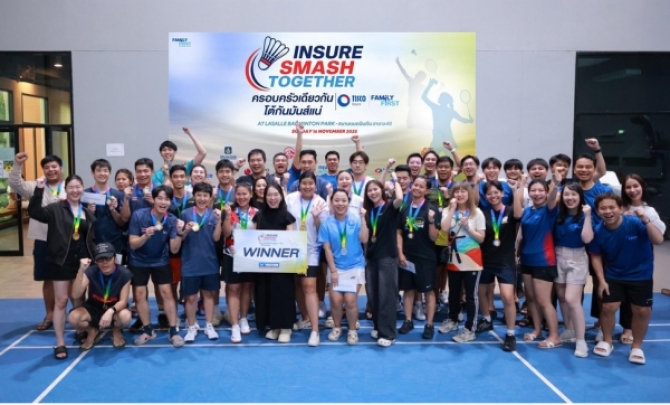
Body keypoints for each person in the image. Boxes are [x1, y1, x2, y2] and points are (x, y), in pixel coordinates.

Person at [583, 193, 663, 364]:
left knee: (642, 311)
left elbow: (658, 240)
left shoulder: (635, 223)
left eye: (612, 207)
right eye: (603, 208)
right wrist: (601, 280)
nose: (608, 211)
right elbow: (595, 256)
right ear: (598, 211)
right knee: (608, 307)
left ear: (621, 209)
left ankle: (637, 347)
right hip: (613, 274)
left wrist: (646, 220)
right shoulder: (598, 231)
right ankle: (607, 341)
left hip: (640, 275)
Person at [28, 174, 96, 360]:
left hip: (81, 262)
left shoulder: (88, 212)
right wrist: (39, 189)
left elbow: (89, 239)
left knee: (79, 298)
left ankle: (80, 330)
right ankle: (60, 342)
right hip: (61, 261)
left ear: (82, 188)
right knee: (61, 301)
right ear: (66, 190)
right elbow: (35, 212)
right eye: (71, 187)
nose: (75, 190)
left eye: (78, 187)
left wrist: (91, 259)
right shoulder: (55, 209)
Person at [9, 152, 66, 332]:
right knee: (48, 278)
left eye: (54, 166)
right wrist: (17, 164)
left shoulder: (70, 186)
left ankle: (76, 314)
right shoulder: (35, 186)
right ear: (43, 170)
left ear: (61, 168)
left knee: (72, 279)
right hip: (43, 240)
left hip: (67, 241)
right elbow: (15, 183)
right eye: (47, 167)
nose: (51, 170)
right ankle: (50, 315)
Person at [127, 185, 185, 347]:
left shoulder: (172, 220)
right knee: (139, 294)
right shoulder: (139, 215)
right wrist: (145, 236)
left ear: (170, 202)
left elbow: (174, 249)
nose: (163, 202)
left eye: (167, 199)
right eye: (159, 198)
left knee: (167, 292)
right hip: (138, 260)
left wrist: (180, 232)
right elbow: (133, 244)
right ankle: (148, 331)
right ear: (153, 200)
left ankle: (173, 331)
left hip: (160, 259)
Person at [514, 174, 561, 349]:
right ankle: (537, 329)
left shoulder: (550, 210)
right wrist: (520, 185)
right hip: (527, 259)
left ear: (547, 192)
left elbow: (552, 199)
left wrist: (556, 184)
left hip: (544, 260)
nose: (537, 193)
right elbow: (522, 233)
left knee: (543, 300)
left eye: (541, 190)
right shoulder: (527, 211)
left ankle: (554, 336)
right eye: (533, 190)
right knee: (531, 298)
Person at [619, 174, 666, 345]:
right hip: (620, 258)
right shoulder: (619, 208)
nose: (632, 190)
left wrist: (644, 219)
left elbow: (659, 237)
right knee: (623, 295)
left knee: (639, 297)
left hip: (641, 260)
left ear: (642, 187)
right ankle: (626, 327)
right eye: (628, 187)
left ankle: (636, 329)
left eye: (635, 186)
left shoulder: (649, 211)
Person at [174, 182, 222, 342]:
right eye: (199, 195)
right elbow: (180, 238)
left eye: (205, 195)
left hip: (209, 263)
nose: (202, 198)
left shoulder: (214, 215)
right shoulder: (185, 214)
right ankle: (192, 327)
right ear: (193, 196)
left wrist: (220, 221)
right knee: (190, 298)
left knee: (208, 295)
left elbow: (216, 238)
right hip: (190, 263)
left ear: (210, 198)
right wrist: (186, 230)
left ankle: (209, 325)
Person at [319, 189, 368, 345]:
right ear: (332, 202)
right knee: (335, 301)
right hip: (336, 267)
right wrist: (333, 271)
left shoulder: (356, 218)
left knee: (350, 300)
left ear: (348, 202)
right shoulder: (326, 223)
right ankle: (337, 327)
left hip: (355, 266)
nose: (340, 203)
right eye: (337, 200)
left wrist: (363, 218)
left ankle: (352, 330)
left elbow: (364, 239)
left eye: (343, 200)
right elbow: (327, 249)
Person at [439, 181, 486, 343]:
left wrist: (468, 227)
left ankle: (470, 328)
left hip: (472, 259)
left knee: (471, 295)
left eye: (463, 191)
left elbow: (481, 238)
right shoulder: (447, 210)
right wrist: (452, 208)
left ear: (469, 194)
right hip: (453, 258)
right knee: (453, 292)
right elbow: (444, 228)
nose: (459, 194)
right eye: (456, 191)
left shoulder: (477, 213)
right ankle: (452, 319)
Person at [285, 171, 328, 342]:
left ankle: (315, 330)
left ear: (315, 185)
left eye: (311, 183)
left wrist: (316, 218)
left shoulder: (321, 202)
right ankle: (305, 318)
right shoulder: (290, 199)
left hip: (311, 249)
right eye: (304, 183)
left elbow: (322, 231)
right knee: (297, 284)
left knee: (309, 286)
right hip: (292, 247)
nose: (307, 186)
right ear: (299, 185)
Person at [477, 180, 519, 351]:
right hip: (485, 260)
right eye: (489, 193)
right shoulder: (483, 213)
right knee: (481, 292)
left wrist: (515, 190)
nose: (493, 196)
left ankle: (510, 334)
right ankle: (486, 319)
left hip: (505, 262)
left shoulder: (510, 211)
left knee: (508, 298)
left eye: (496, 192)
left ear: (502, 193)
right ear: (485, 196)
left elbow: (519, 215)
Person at [253, 183, 297, 343]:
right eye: (269, 195)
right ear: (265, 197)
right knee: (266, 293)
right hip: (263, 264)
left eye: (275, 195)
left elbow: (290, 240)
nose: (272, 198)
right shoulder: (259, 216)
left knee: (283, 293)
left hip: (283, 265)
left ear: (281, 196)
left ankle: (285, 327)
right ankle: (273, 326)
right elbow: (253, 239)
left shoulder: (287, 216)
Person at [397, 176, 440, 339]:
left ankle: (429, 324)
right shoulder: (405, 208)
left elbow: (434, 237)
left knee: (428, 291)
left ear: (426, 190)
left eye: (421, 186)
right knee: (408, 290)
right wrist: (400, 252)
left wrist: (431, 221)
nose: (417, 188)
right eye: (415, 185)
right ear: (411, 186)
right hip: (407, 257)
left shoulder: (432, 209)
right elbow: (399, 233)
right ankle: (408, 320)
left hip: (426, 257)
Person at [68, 243, 133, 350]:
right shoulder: (90, 271)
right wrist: (81, 271)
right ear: (96, 261)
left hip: (114, 309)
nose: (104, 262)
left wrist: (110, 311)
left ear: (114, 258)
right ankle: (92, 330)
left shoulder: (124, 273)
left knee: (126, 316)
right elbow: (75, 294)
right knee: (73, 318)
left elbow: (123, 301)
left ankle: (116, 330)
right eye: (100, 259)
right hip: (93, 308)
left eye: (108, 258)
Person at [364, 174, 403, 347]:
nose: (373, 192)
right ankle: (379, 327)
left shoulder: (389, 207)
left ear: (382, 191)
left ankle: (388, 334)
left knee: (386, 295)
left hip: (387, 257)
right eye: (369, 190)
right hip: (371, 257)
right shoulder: (368, 212)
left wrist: (395, 179)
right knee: (373, 295)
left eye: (375, 189)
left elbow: (399, 198)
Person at [554, 183, 590, 357]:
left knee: (572, 299)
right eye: (566, 194)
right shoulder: (558, 214)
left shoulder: (585, 214)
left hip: (577, 258)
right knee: (561, 296)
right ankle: (569, 329)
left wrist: (588, 216)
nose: (570, 198)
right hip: (557, 256)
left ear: (580, 196)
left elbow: (587, 238)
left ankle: (581, 341)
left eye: (574, 194)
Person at [221, 182, 259, 342]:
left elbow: (259, 234)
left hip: (249, 255)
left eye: (244, 194)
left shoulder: (257, 212)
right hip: (231, 255)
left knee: (247, 287)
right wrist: (226, 216)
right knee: (234, 288)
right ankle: (235, 324)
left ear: (250, 195)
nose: (241, 197)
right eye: (238, 194)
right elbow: (226, 233)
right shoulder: (230, 211)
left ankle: (243, 318)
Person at [85, 159, 128, 264]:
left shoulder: (118, 195)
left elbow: (122, 223)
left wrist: (113, 210)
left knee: (117, 271)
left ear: (110, 173)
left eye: (105, 170)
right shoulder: (85, 195)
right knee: (94, 272)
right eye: (99, 170)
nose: (102, 173)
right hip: (93, 242)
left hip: (115, 242)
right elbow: (79, 223)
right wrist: (89, 213)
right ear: (92, 173)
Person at [421, 78, 473, 151]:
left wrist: (430, 85)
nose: (439, 97)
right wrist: (470, 120)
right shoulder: (451, 111)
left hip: (438, 138)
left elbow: (423, 97)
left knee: (433, 157)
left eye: (440, 96)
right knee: (449, 157)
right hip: (446, 138)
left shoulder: (436, 108)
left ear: (443, 100)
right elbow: (462, 120)